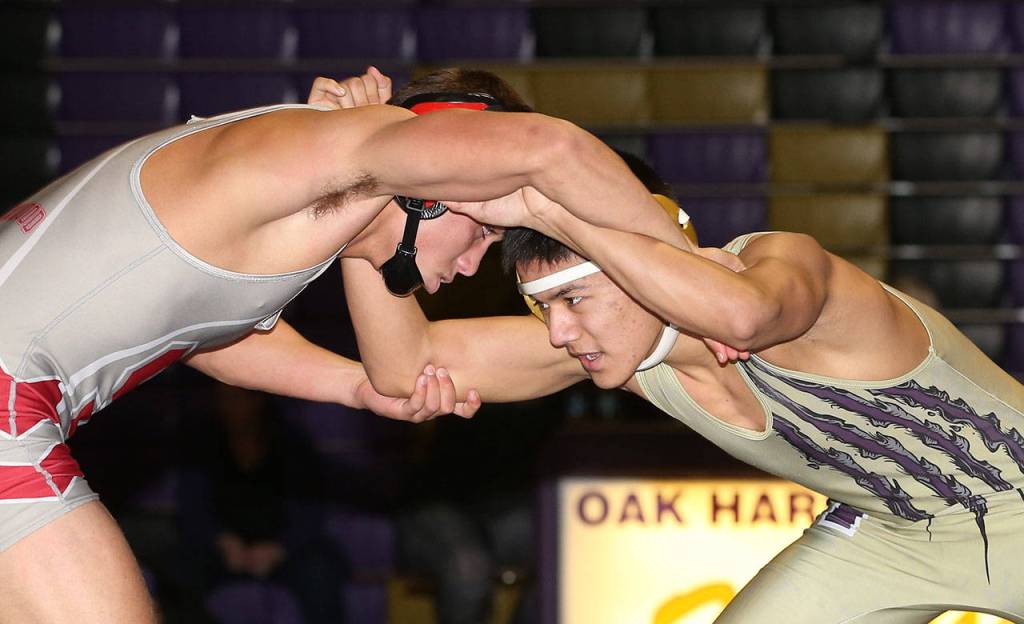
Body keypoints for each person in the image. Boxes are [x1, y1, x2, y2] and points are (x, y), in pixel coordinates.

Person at [0, 65, 685, 622]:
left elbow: (197, 335)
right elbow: (555, 149)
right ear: (434, 188)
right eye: (481, 230)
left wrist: (353, 387)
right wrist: (687, 271)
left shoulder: (300, 181)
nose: (475, 265)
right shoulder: (352, 146)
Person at [336, 74, 1024, 624]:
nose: (558, 332)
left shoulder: (785, 267)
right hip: (892, 534)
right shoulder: (636, 360)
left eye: (573, 301)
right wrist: (353, 199)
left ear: (640, 269)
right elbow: (403, 369)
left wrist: (550, 205)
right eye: (542, 308)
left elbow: (744, 318)